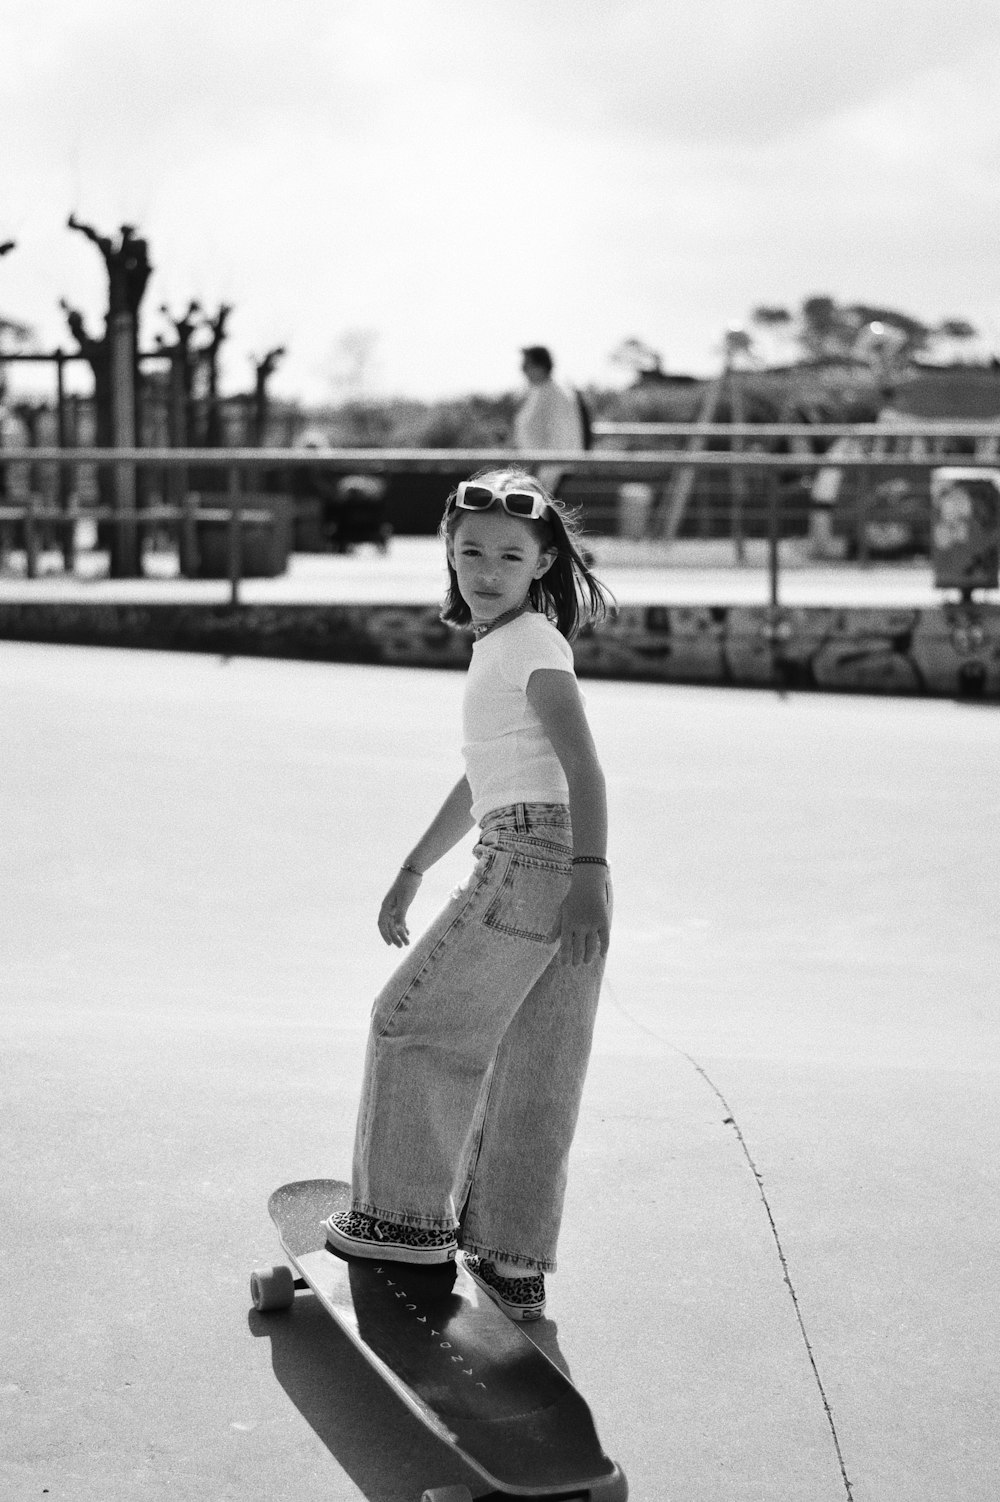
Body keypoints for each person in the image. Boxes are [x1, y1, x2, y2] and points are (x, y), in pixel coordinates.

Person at [323, 467, 615, 1322]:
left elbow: (583, 766)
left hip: (537, 858)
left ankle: (400, 1224)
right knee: (535, 1065)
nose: (486, 569)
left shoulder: (526, 644)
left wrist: (588, 873)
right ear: (448, 555)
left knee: (410, 1021)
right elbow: (482, 774)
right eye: (470, 552)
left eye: (509, 555)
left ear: (542, 560)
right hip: (553, 858)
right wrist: (415, 864)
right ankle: (510, 1259)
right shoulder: (512, 644)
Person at [514, 345, 585, 495]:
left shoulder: (556, 394)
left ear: (541, 366)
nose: (522, 370)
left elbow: (561, 439)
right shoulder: (539, 391)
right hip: (537, 473)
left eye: (526, 365)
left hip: (549, 477)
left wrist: (544, 479)